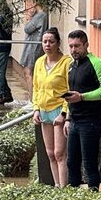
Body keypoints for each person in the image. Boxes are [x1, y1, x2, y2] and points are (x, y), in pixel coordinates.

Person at [62, 29, 101, 190]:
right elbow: (71, 94)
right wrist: (68, 119)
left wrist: (83, 97)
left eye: (77, 46)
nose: (73, 50)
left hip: (90, 120)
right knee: (72, 162)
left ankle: (93, 195)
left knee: (89, 162)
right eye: (70, 46)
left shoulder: (96, 63)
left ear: (86, 45)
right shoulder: (71, 66)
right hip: (74, 120)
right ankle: (74, 198)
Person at [31, 27, 72, 187]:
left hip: (58, 110)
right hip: (43, 110)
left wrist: (64, 113)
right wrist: (35, 109)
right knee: (50, 153)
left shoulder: (66, 62)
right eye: (45, 41)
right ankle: (56, 186)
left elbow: (70, 89)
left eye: (51, 42)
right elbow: (35, 87)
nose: (47, 45)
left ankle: (63, 188)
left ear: (58, 43)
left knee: (59, 153)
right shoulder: (39, 62)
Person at [20, 3, 47, 93]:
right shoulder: (41, 15)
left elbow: (27, 28)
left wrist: (30, 18)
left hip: (33, 47)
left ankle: (32, 99)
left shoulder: (40, 15)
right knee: (30, 72)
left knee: (28, 72)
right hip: (34, 46)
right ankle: (32, 98)